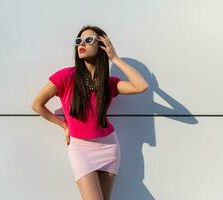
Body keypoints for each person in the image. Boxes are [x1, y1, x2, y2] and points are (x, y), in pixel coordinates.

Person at [31, 25, 149, 200]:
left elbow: (142, 86)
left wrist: (114, 58)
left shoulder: (108, 83)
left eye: (88, 40)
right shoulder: (66, 76)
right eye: (78, 41)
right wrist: (64, 125)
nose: (81, 44)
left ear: (101, 45)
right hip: (80, 148)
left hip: (109, 146)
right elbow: (37, 104)